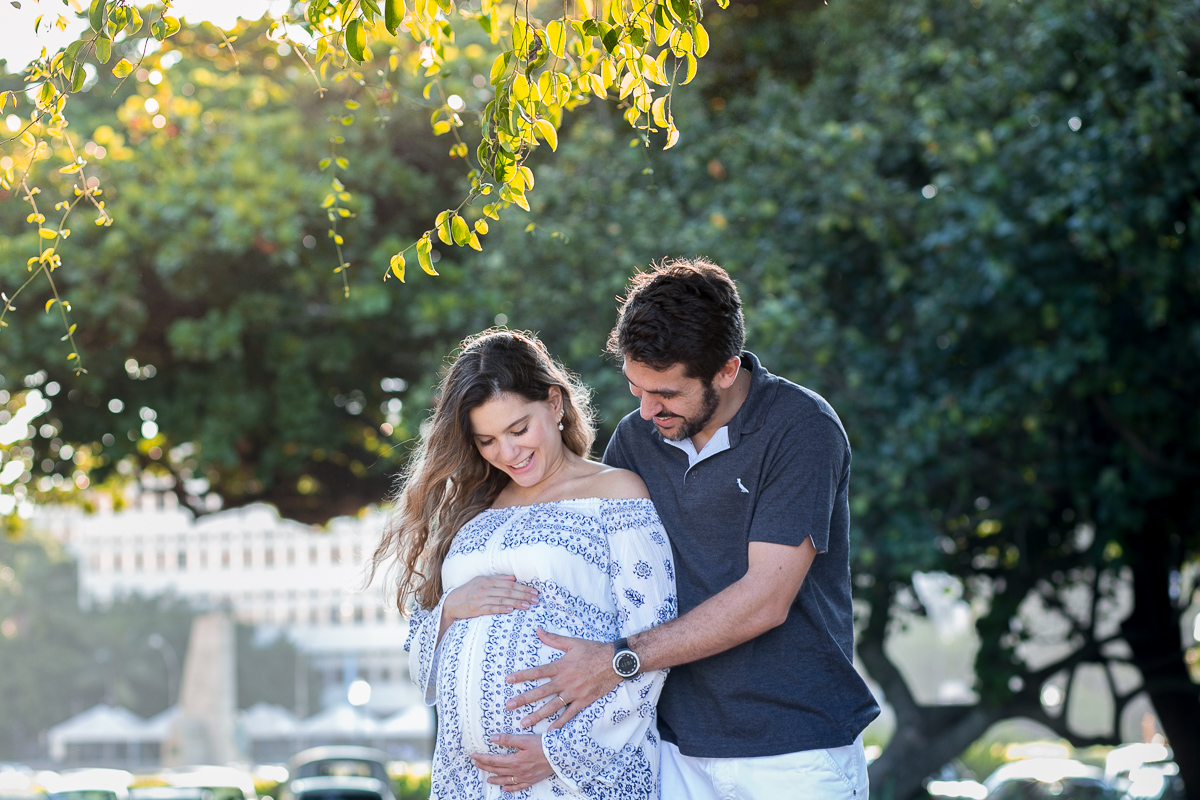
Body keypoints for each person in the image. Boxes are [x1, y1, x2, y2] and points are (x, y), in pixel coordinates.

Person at [485, 259, 881, 799]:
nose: (647, 411)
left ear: (725, 369)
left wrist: (617, 661)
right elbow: (596, 585)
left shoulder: (801, 428)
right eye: (636, 388)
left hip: (793, 751)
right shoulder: (635, 440)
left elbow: (765, 599)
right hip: (671, 752)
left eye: (666, 394)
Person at [369, 329, 677, 799]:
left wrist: (560, 752)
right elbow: (418, 655)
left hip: (577, 773)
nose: (507, 453)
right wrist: (451, 607)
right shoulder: (473, 510)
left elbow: (655, 643)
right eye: (487, 440)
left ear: (554, 403)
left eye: (518, 429)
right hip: (470, 777)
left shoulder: (617, 493)